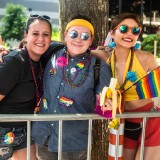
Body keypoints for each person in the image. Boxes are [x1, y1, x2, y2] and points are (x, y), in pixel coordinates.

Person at [31, 14, 112, 160]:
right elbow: (29, 53)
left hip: (73, 144)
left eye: (85, 36)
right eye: (74, 34)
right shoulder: (51, 53)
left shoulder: (99, 67)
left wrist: (107, 105)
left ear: (91, 40)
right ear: (65, 35)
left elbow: (104, 105)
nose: (79, 39)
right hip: (44, 137)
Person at [102, 13, 160, 160]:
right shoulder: (103, 57)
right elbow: (77, 48)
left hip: (151, 120)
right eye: (123, 28)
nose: (129, 34)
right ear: (112, 33)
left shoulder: (146, 58)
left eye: (135, 31)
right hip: (124, 121)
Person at [0, 14, 52, 160]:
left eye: (45, 34)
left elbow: (75, 47)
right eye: (35, 33)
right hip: (2, 130)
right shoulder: (14, 62)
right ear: (26, 36)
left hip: (25, 128)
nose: (41, 39)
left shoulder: (46, 58)